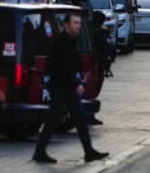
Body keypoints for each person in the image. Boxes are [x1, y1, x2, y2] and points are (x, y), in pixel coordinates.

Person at [33, 13, 109, 164]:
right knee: (52, 120)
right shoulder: (62, 43)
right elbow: (63, 68)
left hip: (67, 88)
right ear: (66, 25)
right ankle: (40, 152)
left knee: (80, 119)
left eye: (79, 23)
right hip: (60, 88)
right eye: (75, 23)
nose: (79, 26)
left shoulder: (71, 41)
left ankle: (88, 152)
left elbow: (71, 65)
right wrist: (77, 84)